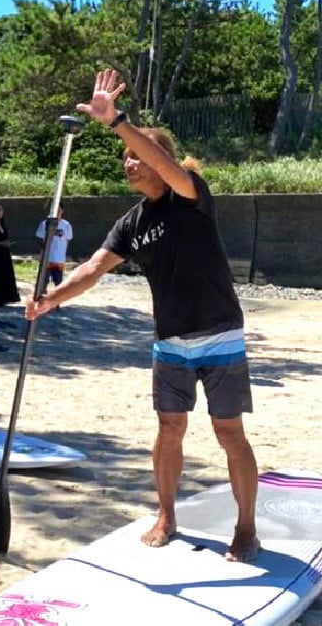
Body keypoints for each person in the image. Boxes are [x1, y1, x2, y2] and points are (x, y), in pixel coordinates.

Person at [25, 69, 259, 562]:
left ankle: (245, 528)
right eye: (126, 157)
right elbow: (93, 267)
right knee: (169, 427)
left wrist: (118, 122)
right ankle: (167, 515)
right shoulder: (132, 223)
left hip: (218, 332)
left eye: (137, 155)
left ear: (162, 161)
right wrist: (50, 300)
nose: (129, 162)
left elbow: (157, 157)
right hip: (170, 340)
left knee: (227, 431)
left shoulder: (189, 194)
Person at [35, 201, 74, 290]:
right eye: (55, 210)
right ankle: (42, 300)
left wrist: (62, 252)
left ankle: (57, 303)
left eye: (59, 210)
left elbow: (68, 240)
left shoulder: (66, 225)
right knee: (43, 283)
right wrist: (43, 252)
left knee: (58, 283)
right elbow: (39, 238)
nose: (57, 212)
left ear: (62, 211)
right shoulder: (45, 224)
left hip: (59, 259)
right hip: (47, 259)